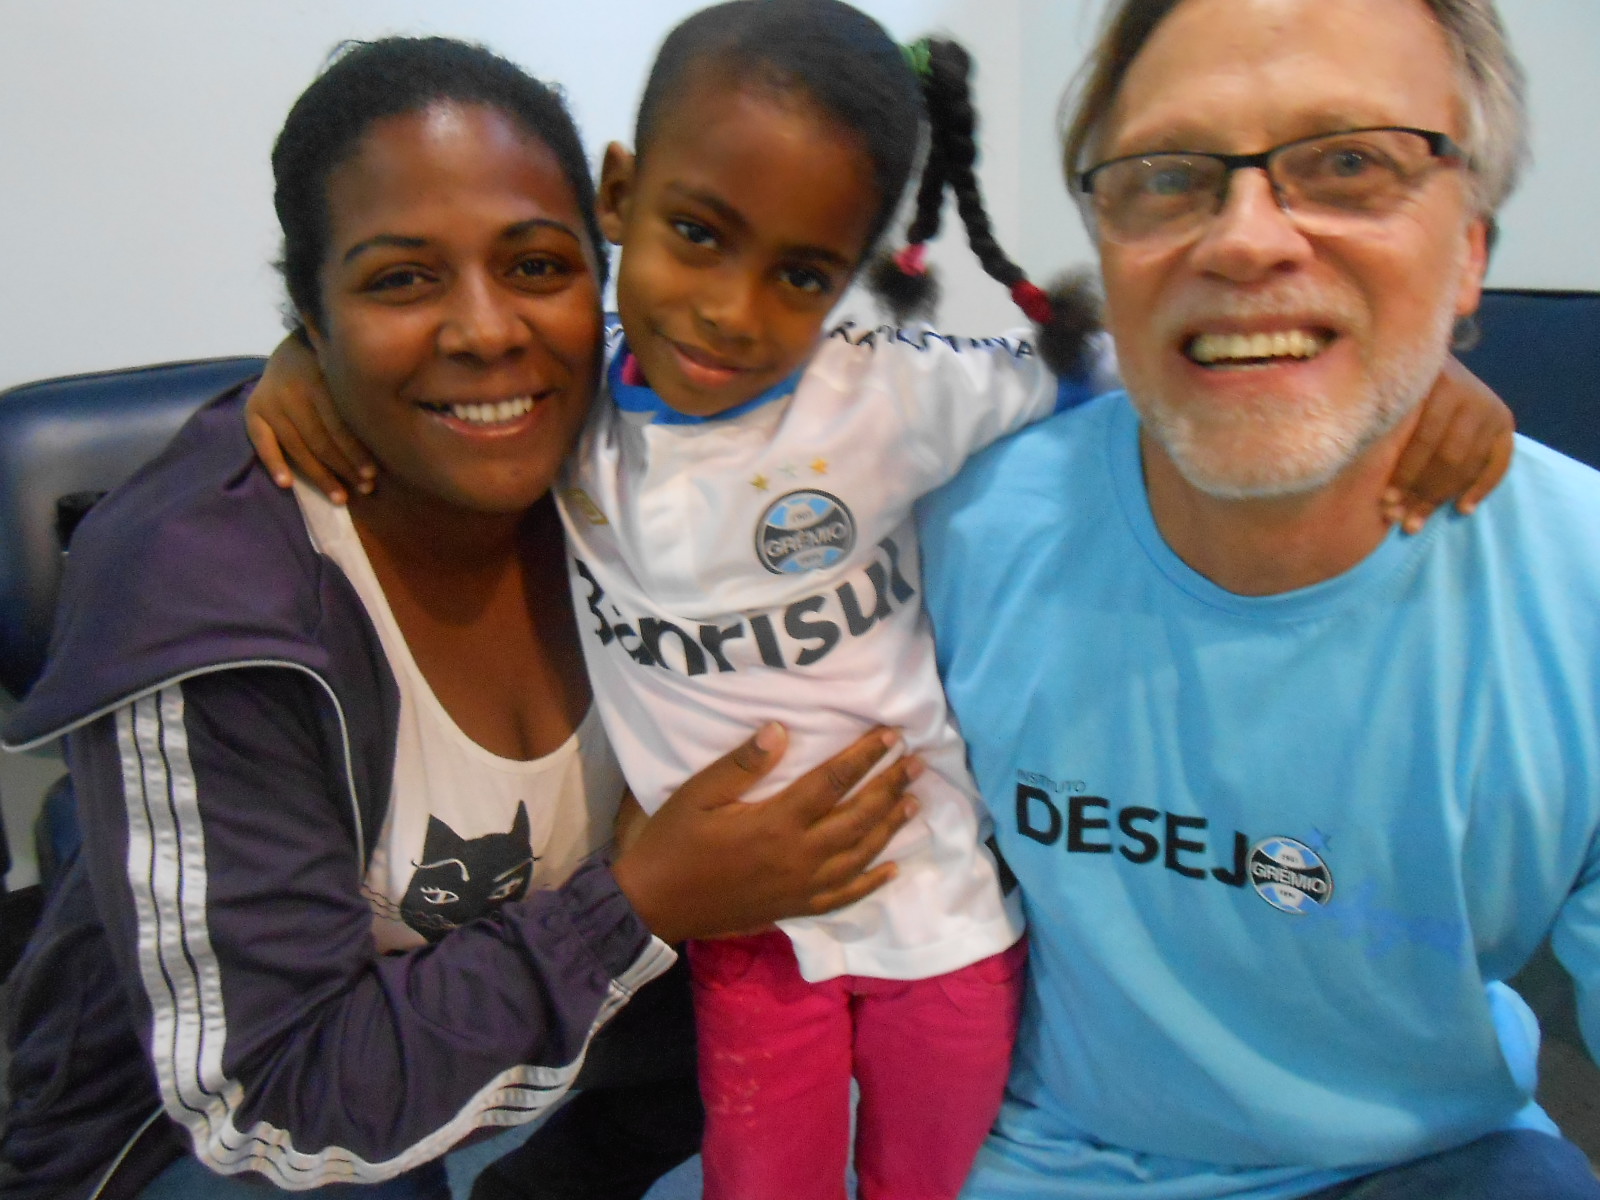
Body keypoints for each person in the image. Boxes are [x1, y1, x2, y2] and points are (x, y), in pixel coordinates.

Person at [245, 5, 1520, 1197]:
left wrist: (1408, 385)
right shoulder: (565, 407)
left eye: (801, 275)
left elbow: (1156, 367)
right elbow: (446, 362)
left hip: (936, 918)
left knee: (932, 1181)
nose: (730, 313)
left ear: (852, 277)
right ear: (621, 196)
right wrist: (297, 357)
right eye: (697, 235)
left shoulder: (887, 394)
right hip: (746, 932)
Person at [0, 37, 922, 1200]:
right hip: (219, 1140)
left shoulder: (666, 448)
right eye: (399, 279)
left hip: (540, 1042)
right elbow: (273, 1107)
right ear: (310, 310)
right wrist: (637, 907)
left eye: (537, 266)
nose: (486, 330)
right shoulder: (205, 587)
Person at [916, 1, 1600, 1197]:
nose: (1244, 240)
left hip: (1424, 1162)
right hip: (1023, 1153)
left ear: (1473, 248)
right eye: (1168, 177)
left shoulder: (1577, 596)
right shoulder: (956, 535)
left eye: (1348, 163)